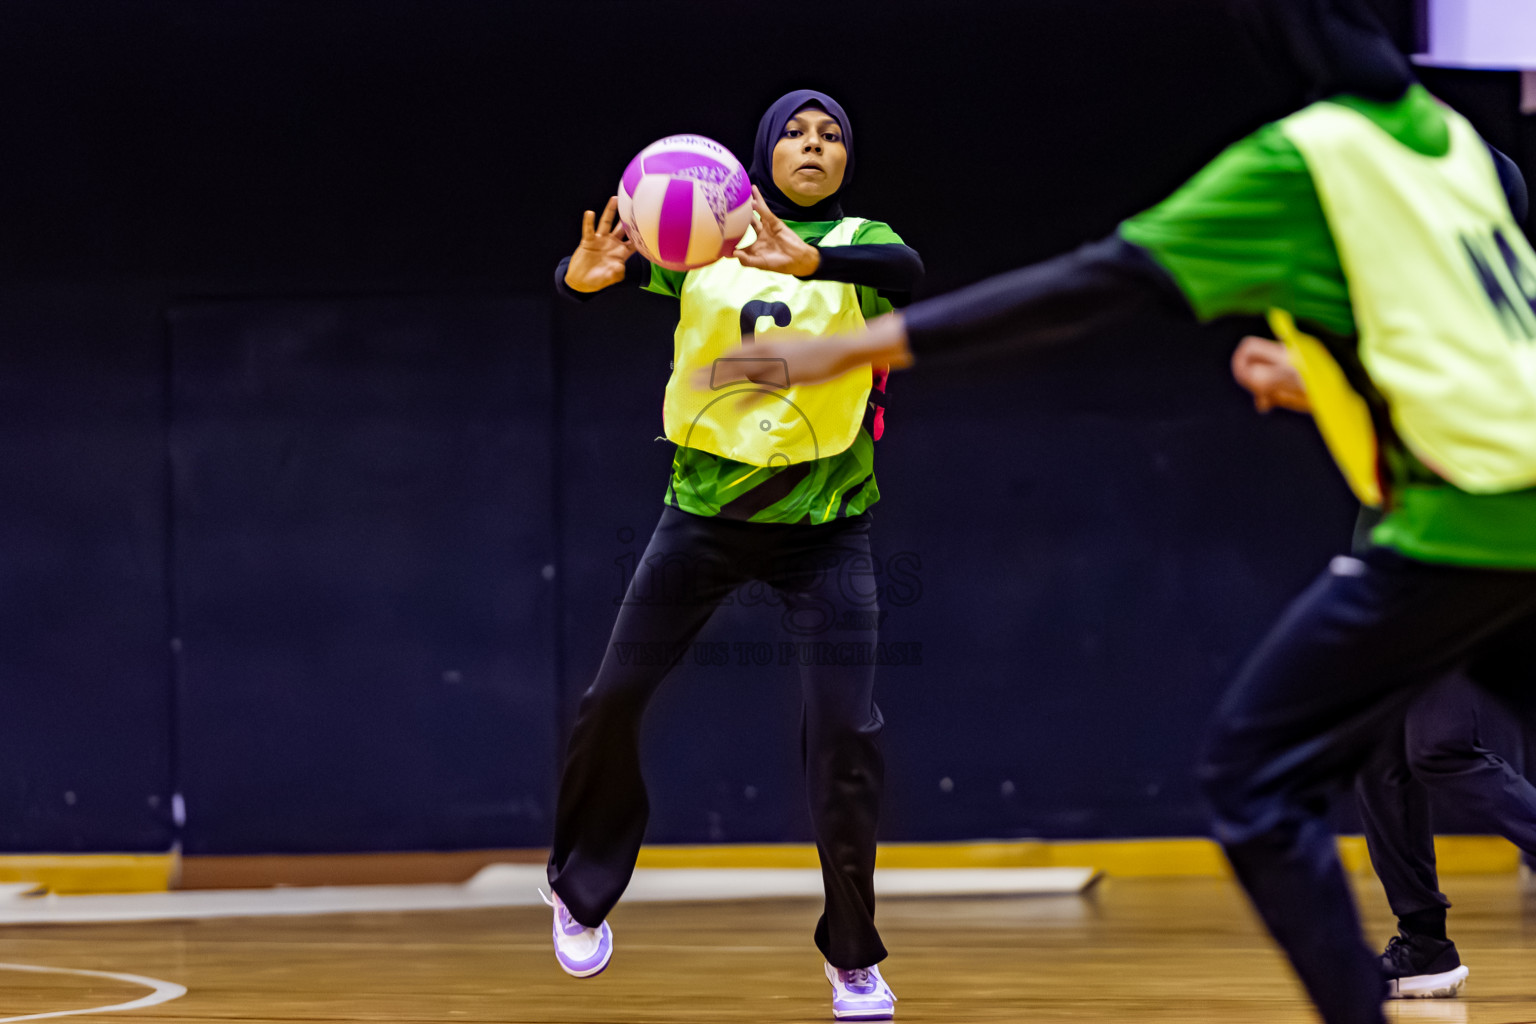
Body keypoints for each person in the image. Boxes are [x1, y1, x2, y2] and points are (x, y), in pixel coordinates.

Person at [705, 4, 1536, 1022]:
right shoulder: (1455, 147)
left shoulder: (1306, 156)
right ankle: (1420, 944)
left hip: (1465, 519)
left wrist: (853, 347)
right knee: (1386, 741)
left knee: (1249, 777)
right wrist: (1319, 381)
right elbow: (1471, 346)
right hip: (1511, 503)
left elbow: (1089, 284)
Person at [546, 89, 922, 1022]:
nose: (813, 144)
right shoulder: (707, 236)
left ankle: (852, 958)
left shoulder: (860, 244)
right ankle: (578, 887)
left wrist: (817, 255)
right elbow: (604, 270)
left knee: (847, 742)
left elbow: (907, 269)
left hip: (827, 527)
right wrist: (578, 275)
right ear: (760, 154)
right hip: (703, 515)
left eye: (831, 135)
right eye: (795, 131)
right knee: (611, 699)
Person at [1235, 333, 1536, 1000]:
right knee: (1378, 757)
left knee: (1443, 750)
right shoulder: (1399, 356)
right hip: (1396, 575)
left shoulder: (1470, 348)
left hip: (1460, 568)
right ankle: (1423, 944)